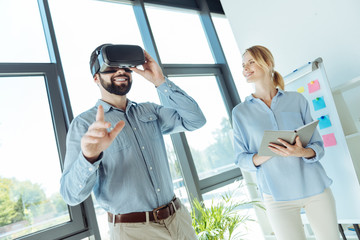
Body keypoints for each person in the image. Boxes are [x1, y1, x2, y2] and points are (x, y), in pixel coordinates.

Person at [60, 44, 206, 240]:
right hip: (133, 231)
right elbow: (70, 195)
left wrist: (161, 82)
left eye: (125, 67)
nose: (120, 71)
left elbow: (195, 120)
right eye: (110, 68)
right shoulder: (85, 124)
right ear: (96, 78)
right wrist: (89, 156)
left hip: (178, 220)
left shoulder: (149, 111)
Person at [232, 45, 339, 240]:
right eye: (243, 65)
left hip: (315, 188)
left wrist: (300, 152)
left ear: (268, 63)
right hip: (276, 195)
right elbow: (240, 159)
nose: (245, 68)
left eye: (251, 62)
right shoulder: (240, 112)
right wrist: (264, 154)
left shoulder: (297, 100)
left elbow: (317, 146)